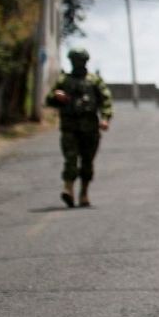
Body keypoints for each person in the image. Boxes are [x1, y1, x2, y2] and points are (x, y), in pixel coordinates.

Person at [45, 47, 113, 207]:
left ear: (85, 61)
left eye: (80, 60)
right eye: (75, 61)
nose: (78, 64)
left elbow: (106, 101)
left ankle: (84, 192)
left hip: (90, 129)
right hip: (70, 127)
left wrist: (105, 119)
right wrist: (58, 96)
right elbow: (50, 99)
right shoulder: (64, 81)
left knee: (87, 162)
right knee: (70, 159)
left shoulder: (94, 81)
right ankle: (68, 189)